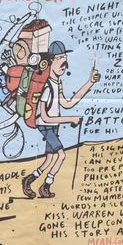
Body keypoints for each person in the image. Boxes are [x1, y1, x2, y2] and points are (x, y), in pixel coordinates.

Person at [21, 40, 100, 198]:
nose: (64, 62)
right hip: (46, 126)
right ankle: (46, 186)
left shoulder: (58, 83)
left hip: (53, 126)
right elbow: (44, 117)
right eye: (59, 58)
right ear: (50, 61)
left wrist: (90, 82)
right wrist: (70, 119)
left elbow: (67, 103)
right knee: (61, 155)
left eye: (64, 57)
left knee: (49, 158)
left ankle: (28, 180)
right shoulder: (47, 87)